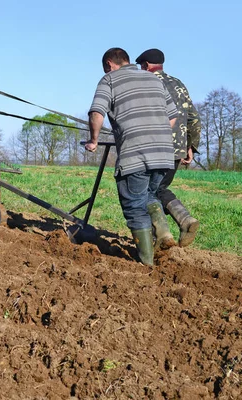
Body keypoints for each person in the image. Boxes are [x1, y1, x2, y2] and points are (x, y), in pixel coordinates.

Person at [85, 47, 178, 266]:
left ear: (109, 64)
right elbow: (173, 117)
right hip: (164, 154)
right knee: (150, 195)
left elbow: (97, 112)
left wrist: (93, 140)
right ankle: (164, 235)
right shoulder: (153, 79)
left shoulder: (108, 81)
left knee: (135, 205)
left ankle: (146, 262)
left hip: (135, 154)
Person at [135, 49, 201, 247]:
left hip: (153, 147)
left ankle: (163, 237)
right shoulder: (178, 83)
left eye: (141, 67)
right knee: (160, 187)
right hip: (176, 149)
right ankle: (185, 220)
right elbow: (194, 119)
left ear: (146, 65)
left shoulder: (146, 83)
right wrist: (190, 145)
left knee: (144, 191)